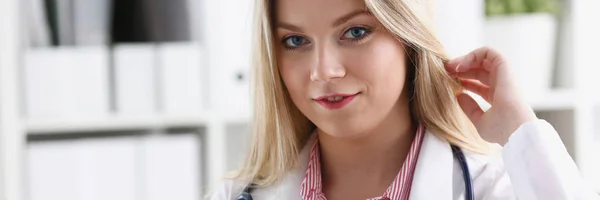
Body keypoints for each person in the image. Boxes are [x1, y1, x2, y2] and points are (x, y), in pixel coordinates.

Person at [211, 0, 600, 199]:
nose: (323, 70)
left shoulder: (489, 190)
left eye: (355, 32)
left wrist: (520, 130)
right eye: (295, 41)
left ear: (408, 38)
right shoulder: (237, 197)